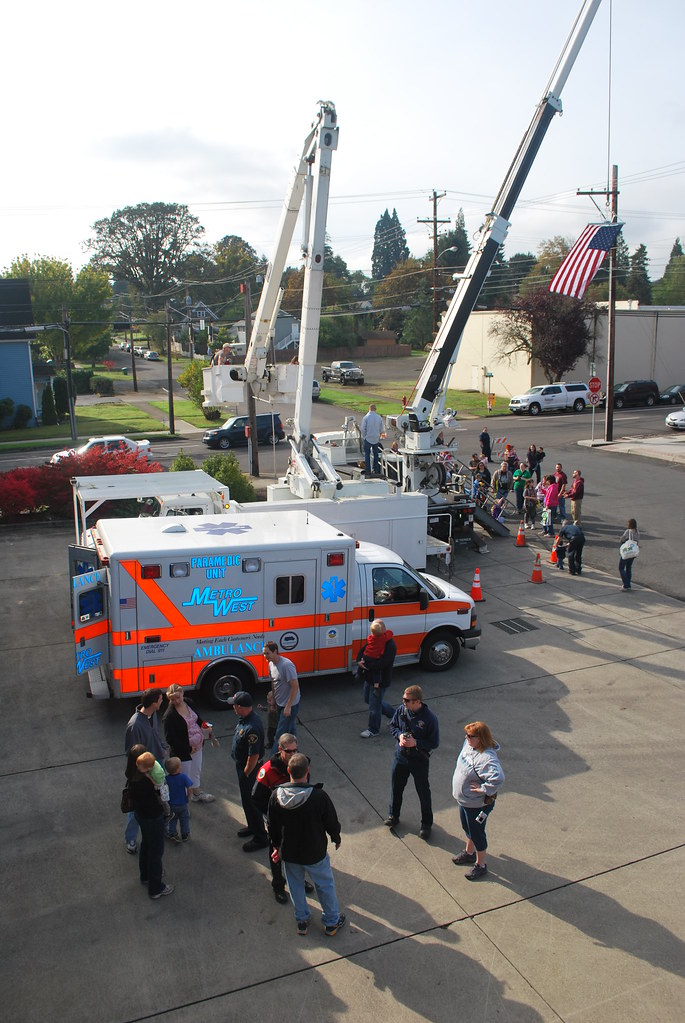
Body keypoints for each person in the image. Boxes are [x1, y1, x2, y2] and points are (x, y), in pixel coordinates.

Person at [267, 752, 345, 937]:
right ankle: (331, 922)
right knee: (324, 885)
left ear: (288, 771)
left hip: (290, 853)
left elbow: (273, 826)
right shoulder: (319, 796)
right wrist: (335, 837)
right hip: (314, 852)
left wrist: (277, 846)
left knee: (295, 886)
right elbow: (331, 821)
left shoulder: (275, 796)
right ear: (307, 771)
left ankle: (302, 921)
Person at [252, 734, 314, 904]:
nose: (293, 754)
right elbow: (256, 797)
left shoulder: (301, 765)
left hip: (296, 820)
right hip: (277, 821)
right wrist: (273, 814)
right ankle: (278, 885)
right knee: (276, 852)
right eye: (289, 751)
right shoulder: (268, 770)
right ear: (280, 750)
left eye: (296, 750)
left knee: (298, 850)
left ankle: (299, 879)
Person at [451, 721, 504, 881]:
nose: (466, 737)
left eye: (470, 736)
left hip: (477, 805)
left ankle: (480, 865)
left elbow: (498, 778)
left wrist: (483, 789)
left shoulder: (487, 759)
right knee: (467, 827)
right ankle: (469, 852)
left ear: (480, 739)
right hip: (465, 801)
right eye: (466, 734)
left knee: (477, 833)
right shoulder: (469, 745)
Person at [385, 685, 440, 840]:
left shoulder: (430, 719)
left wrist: (416, 743)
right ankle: (393, 815)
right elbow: (393, 726)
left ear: (417, 702)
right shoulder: (401, 711)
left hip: (419, 761)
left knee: (423, 792)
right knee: (396, 787)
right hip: (400, 758)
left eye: (407, 700)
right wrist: (400, 736)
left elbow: (434, 743)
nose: (403, 702)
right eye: (403, 699)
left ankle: (426, 824)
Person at [126, 745, 173, 899]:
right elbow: (161, 796)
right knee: (156, 851)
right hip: (153, 816)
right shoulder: (147, 781)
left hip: (141, 815)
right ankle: (156, 887)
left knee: (146, 844)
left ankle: (145, 875)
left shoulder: (132, 777)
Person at [124, 689, 167, 855]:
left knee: (159, 799)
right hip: (144, 772)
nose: (163, 701)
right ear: (154, 702)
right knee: (137, 808)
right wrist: (145, 774)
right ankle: (131, 839)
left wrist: (161, 748)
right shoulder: (135, 725)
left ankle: (159, 827)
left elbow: (155, 733)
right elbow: (131, 752)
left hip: (157, 763)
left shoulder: (152, 715)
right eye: (161, 699)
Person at [229, 690, 268, 852]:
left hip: (249, 770)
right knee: (246, 801)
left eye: (234, 705)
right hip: (244, 767)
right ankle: (252, 826)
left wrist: (246, 773)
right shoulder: (245, 719)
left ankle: (260, 837)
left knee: (252, 803)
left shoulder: (252, 727)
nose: (233, 708)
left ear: (240, 706)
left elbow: (254, 755)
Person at [163, 684, 215, 803]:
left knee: (196, 770)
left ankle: (196, 794)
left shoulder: (188, 702)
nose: (176, 701)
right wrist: (187, 748)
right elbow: (170, 739)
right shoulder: (169, 716)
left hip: (197, 746)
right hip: (183, 752)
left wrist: (204, 726)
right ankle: (183, 803)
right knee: (183, 776)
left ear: (182, 694)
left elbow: (197, 719)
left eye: (178, 697)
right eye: (172, 699)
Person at [357, 620, 397, 738]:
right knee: (369, 700)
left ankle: (373, 729)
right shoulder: (373, 640)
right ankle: (396, 715)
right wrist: (359, 660)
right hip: (370, 678)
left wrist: (366, 665)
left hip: (380, 681)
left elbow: (383, 663)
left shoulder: (390, 645)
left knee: (374, 706)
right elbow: (362, 651)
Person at [263, 641, 300, 754]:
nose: (265, 656)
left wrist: (288, 706)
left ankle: (274, 759)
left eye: (267, 653)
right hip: (279, 703)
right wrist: (274, 698)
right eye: (264, 654)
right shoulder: (271, 664)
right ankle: (294, 751)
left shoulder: (286, 665)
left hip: (290, 705)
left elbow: (295, 686)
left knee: (280, 734)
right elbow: (274, 682)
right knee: (291, 729)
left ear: (275, 651)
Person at [165, 757, 193, 843]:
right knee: (184, 819)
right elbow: (189, 787)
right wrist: (188, 796)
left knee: (172, 819)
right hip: (182, 803)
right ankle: (185, 834)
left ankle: (172, 833)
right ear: (178, 768)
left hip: (172, 804)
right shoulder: (183, 777)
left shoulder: (167, 778)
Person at [361, 403, 384, 476]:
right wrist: (379, 435)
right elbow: (381, 429)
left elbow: (363, 429)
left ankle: (368, 470)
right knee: (376, 454)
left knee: (367, 454)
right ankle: (375, 469)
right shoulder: (379, 417)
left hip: (368, 438)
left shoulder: (366, 417)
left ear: (369, 409)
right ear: (375, 409)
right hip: (376, 438)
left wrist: (364, 436)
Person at [619, 518, 640, 590]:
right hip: (633, 553)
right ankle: (628, 583)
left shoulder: (628, 531)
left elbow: (622, 539)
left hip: (627, 552)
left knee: (621, 567)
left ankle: (626, 584)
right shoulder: (637, 532)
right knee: (628, 568)